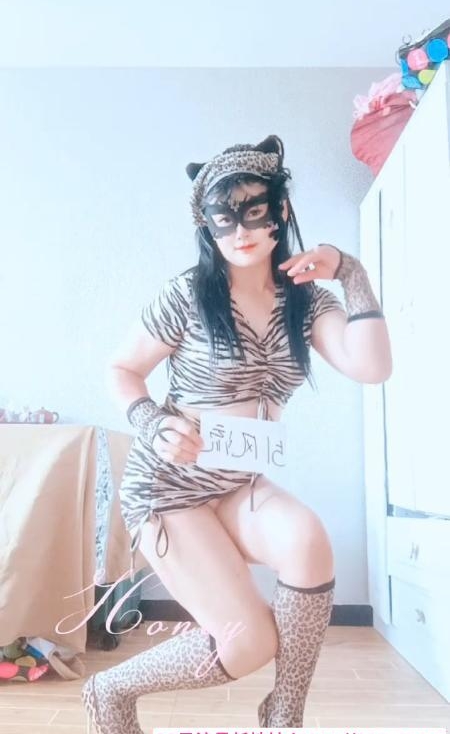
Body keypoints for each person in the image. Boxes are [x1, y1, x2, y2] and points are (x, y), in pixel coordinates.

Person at [81, 134, 392, 733]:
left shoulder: (306, 303)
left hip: (236, 481)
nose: (240, 229)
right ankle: (110, 690)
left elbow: (372, 366)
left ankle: (283, 715)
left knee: (308, 540)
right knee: (248, 642)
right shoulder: (188, 295)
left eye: (254, 210)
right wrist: (153, 420)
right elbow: (121, 369)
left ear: (280, 211)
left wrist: (350, 271)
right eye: (224, 217)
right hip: (169, 487)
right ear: (207, 225)